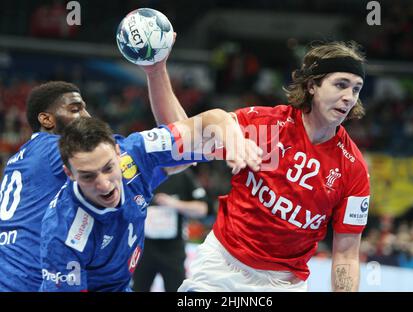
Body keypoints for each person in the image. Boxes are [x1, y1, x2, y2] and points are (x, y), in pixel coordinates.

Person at [177, 41, 371, 292]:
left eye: (356, 89)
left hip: (284, 284)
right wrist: (157, 72)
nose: (349, 97)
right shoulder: (265, 127)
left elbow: (346, 254)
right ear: (312, 85)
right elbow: (181, 137)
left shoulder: (352, 167)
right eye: (341, 84)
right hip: (221, 267)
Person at [0, 49, 189, 291]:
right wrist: (156, 71)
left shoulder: (21, 158)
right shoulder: (64, 149)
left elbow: (177, 160)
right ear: (47, 120)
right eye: (75, 109)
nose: (87, 116)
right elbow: (180, 148)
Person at [39, 112, 262, 291]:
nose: (105, 184)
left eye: (108, 168)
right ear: (69, 174)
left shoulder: (136, 151)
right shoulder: (64, 234)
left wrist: (235, 143)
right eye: (88, 176)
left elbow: (212, 120)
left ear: (118, 152)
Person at [132, 169, 209, 292]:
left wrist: (175, 203)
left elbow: (202, 209)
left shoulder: (183, 175)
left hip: (173, 250)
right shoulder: (141, 172)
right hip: (143, 248)